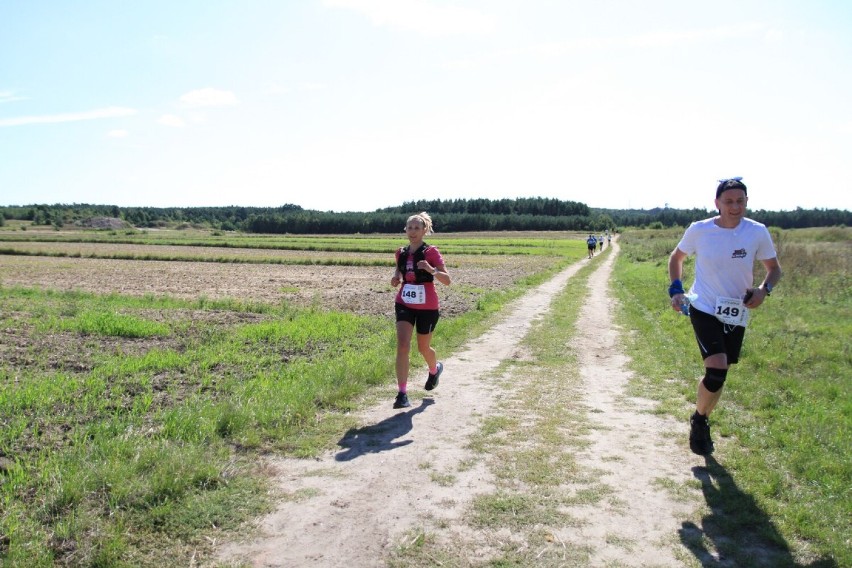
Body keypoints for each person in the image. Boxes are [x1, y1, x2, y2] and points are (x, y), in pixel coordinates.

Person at [668, 177, 782, 455]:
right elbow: (677, 258)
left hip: (736, 311)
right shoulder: (700, 230)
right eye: (728, 201)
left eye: (740, 201)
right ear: (717, 203)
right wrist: (676, 290)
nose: (735, 206)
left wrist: (763, 290)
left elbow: (774, 269)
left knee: (720, 374)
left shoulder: (756, 232)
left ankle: (701, 416)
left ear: (746, 202)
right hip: (703, 306)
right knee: (716, 368)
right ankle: (699, 421)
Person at [390, 212, 451, 409]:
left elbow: (447, 280)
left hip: (428, 306)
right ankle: (402, 394)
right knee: (402, 345)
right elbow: (398, 271)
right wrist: (395, 278)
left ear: (425, 230)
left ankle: (434, 370)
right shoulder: (401, 252)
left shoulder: (431, 252)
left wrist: (431, 270)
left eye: (417, 228)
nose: (413, 231)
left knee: (423, 348)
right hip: (404, 303)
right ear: (405, 230)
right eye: (410, 228)